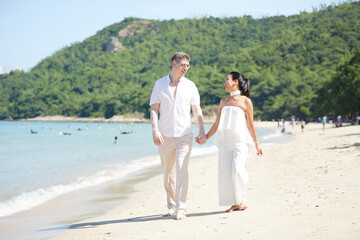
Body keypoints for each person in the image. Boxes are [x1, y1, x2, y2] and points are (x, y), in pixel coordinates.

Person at [150, 52, 207, 220]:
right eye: (183, 65)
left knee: (182, 169)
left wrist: (201, 130)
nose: (186, 69)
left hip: (185, 135)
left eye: (188, 66)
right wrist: (155, 130)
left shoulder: (190, 86)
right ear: (174, 63)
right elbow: (154, 109)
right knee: (167, 174)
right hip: (164, 135)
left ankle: (181, 207)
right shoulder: (159, 84)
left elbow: (197, 110)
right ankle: (171, 206)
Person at [205, 71, 263, 213]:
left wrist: (257, 144)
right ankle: (235, 203)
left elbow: (250, 124)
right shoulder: (223, 101)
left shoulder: (245, 101)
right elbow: (217, 123)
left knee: (238, 170)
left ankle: (242, 200)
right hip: (225, 142)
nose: (225, 82)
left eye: (227, 79)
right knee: (225, 173)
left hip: (240, 142)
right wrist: (205, 137)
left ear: (235, 81)